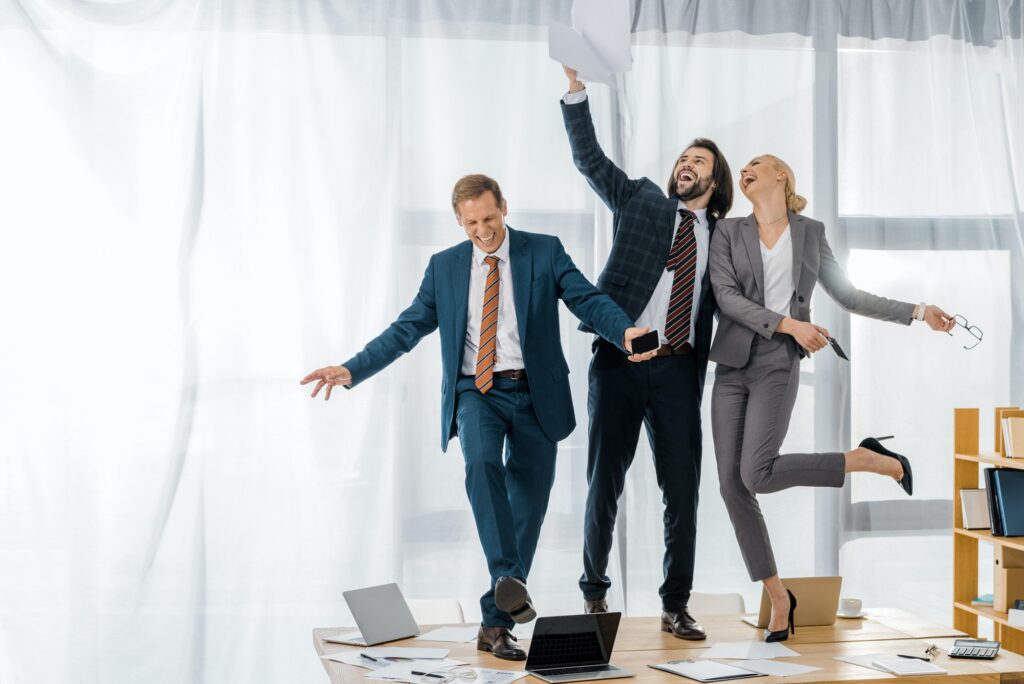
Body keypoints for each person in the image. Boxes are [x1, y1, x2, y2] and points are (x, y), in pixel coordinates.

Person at [300, 174, 656, 660]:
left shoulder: (544, 251)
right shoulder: (444, 267)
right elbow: (406, 328)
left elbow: (586, 297)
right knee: (481, 463)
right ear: (459, 221)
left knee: (527, 509)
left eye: (490, 219)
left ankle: (494, 624)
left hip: (535, 394)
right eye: (472, 224)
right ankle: (508, 577)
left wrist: (624, 330)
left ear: (504, 207)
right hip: (477, 392)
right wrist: (351, 367)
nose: (483, 231)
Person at [708, 154, 955, 642]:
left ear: (781, 176)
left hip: (778, 362)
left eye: (758, 163)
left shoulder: (810, 232)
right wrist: (790, 323)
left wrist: (919, 310)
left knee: (756, 472)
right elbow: (725, 295)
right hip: (732, 365)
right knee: (733, 487)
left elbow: (848, 295)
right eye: (744, 166)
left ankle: (862, 459)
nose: (746, 168)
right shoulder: (728, 231)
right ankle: (779, 596)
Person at [559, 65, 733, 640]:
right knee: (604, 481)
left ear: (716, 182)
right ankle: (593, 595)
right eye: (683, 158)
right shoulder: (639, 200)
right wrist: (576, 90)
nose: (687, 164)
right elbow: (589, 160)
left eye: (700, 162)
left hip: (681, 371)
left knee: (683, 491)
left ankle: (675, 604)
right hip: (619, 363)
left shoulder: (725, 239)